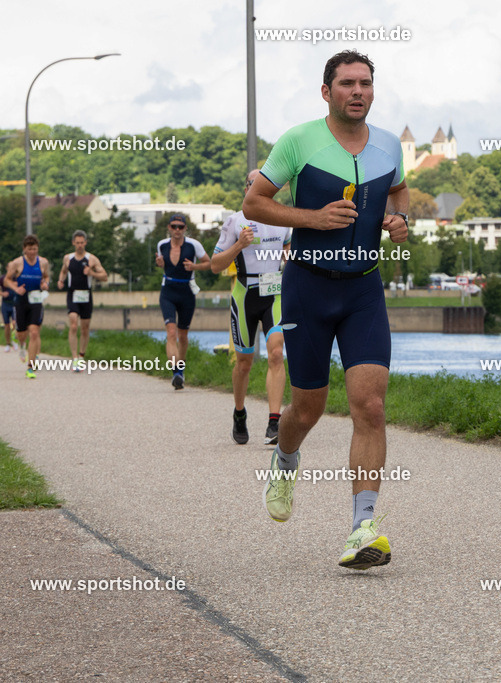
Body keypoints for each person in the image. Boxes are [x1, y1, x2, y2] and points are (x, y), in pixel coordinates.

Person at [242, 50, 409, 570]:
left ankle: (363, 526)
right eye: (346, 84)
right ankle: (286, 459)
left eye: (365, 83)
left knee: (370, 406)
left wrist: (399, 220)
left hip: (362, 290)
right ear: (327, 92)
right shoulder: (300, 140)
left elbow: (399, 192)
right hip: (308, 289)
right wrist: (312, 218)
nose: (357, 91)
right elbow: (255, 203)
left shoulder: (388, 145)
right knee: (307, 408)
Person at [211, 170, 292, 445]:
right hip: (244, 296)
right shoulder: (235, 221)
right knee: (244, 364)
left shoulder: (283, 219)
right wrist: (238, 246)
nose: (256, 188)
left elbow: (290, 257)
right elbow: (215, 265)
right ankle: (239, 412)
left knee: (277, 354)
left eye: (262, 184)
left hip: (275, 295)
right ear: (245, 189)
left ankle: (274, 421)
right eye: (251, 184)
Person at [155, 214, 211, 389]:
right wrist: (159, 263)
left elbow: (209, 263)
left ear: (185, 228)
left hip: (187, 292)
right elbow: (161, 264)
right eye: (174, 226)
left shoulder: (194, 245)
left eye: (180, 226)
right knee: (171, 332)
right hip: (168, 292)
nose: (177, 230)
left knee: (183, 335)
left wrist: (195, 267)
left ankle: (181, 369)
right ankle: (176, 373)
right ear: (169, 228)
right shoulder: (162, 245)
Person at [57, 230, 108, 372]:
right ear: (73, 243)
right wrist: (61, 280)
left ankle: (81, 356)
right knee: (73, 324)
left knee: (85, 328)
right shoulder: (68, 258)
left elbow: (104, 276)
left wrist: (91, 273)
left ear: (85, 243)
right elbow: (63, 271)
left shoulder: (92, 259)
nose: (79, 245)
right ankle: (74, 359)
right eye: (77, 243)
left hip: (86, 295)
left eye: (82, 243)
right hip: (73, 294)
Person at [4, 235, 51, 379]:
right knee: (22, 334)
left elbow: (46, 276)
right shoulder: (17, 263)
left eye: (35, 249)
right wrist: (15, 288)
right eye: (29, 249)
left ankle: (30, 367)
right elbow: (6, 280)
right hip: (21, 301)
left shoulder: (43, 262)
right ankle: (22, 345)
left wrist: (45, 284)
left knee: (35, 332)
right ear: (24, 249)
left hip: (36, 300)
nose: (32, 252)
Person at [1, 270, 15, 353]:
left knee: (14, 323)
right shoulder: (2, 278)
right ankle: (7, 343)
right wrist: (2, 294)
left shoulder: (16, 278)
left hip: (14, 304)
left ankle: (15, 339)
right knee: (6, 325)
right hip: (5, 304)